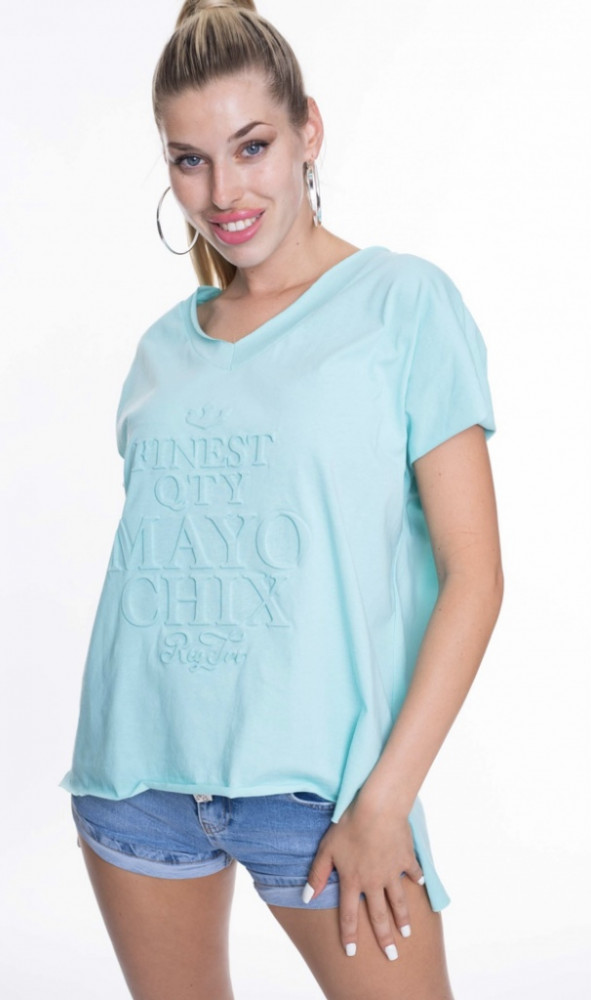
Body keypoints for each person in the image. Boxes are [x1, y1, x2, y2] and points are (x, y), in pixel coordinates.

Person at [60, 1, 504, 997]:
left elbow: (475, 576)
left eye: (251, 146)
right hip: (134, 780)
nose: (223, 191)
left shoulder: (401, 304)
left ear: (309, 128)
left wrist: (384, 802)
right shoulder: (161, 350)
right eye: (190, 160)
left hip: (325, 800)